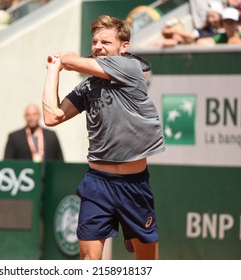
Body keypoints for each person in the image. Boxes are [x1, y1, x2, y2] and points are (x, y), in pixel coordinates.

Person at [42, 15, 165, 260]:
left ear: (124, 47)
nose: (98, 46)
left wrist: (63, 59)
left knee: (147, 263)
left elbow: (71, 60)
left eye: (105, 42)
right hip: (97, 183)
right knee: (88, 260)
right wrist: (53, 70)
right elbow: (52, 117)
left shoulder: (130, 68)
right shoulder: (87, 87)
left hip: (134, 185)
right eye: (95, 41)